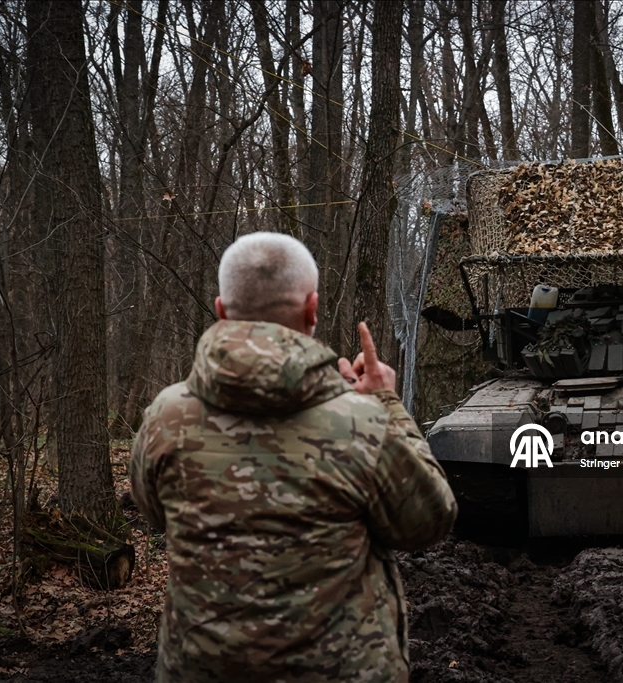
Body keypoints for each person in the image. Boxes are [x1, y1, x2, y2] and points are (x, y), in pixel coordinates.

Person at [130, 232, 457, 683]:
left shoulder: (165, 416)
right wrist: (385, 404)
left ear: (221, 310)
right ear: (311, 309)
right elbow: (429, 522)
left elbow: (155, 512)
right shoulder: (360, 421)